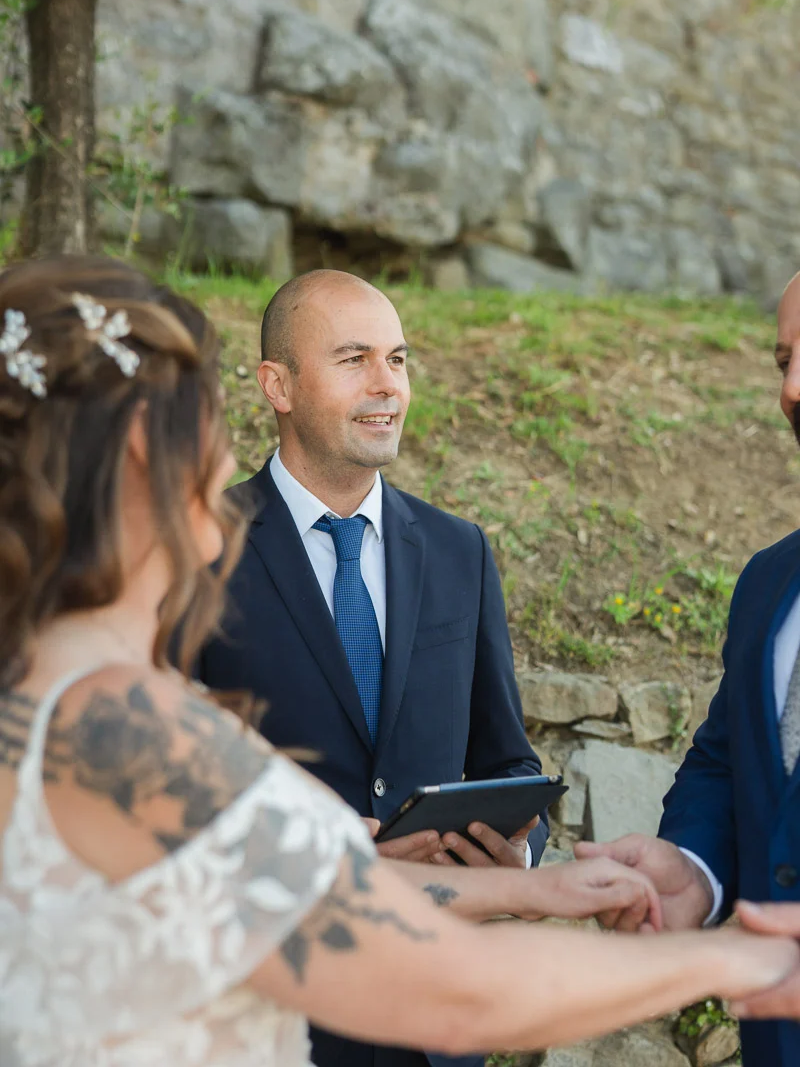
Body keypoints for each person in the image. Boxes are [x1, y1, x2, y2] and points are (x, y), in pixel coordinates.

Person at [1, 254, 797, 1067]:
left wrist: (531, 884)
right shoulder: (122, 731)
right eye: (203, 428)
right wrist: (750, 959)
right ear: (144, 455)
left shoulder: (48, 706)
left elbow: (318, 888)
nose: (217, 467)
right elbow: (449, 988)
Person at [197, 268, 547, 1067]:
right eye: (354, 359)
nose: (387, 385)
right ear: (276, 384)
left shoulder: (461, 551)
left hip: (434, 1020)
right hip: (271, 1013)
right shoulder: (198, 549)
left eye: (399, 358)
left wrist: (517, 854)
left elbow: (506, 759)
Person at [576, 270, 800, 1067]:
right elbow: (726, 764)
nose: (793, 390)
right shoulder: (767, 584)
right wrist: (697, 873)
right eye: (782, 361)